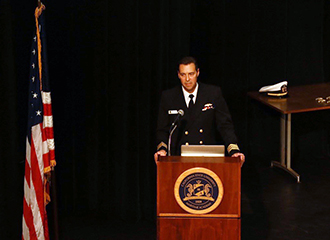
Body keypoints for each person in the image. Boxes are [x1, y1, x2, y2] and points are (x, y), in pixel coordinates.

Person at [154, 56, 245, 165]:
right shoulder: (169, 97)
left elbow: (225, 126)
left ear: (198, 72)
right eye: (183, 75)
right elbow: (163, 129)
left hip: (207, 156)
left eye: (191, 74)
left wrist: (234, 150)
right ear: (178, 75)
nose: (187, 79)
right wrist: (162, 149)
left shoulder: (212, 94)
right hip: (178, 159)